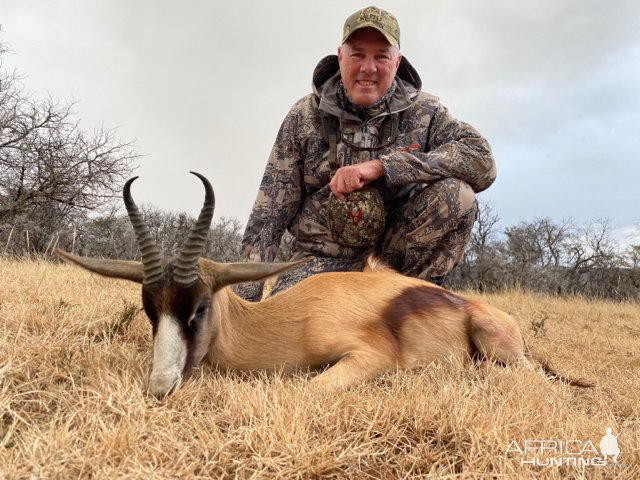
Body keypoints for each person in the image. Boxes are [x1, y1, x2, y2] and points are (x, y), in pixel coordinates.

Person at [237, 6, 496, 301]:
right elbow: (268, 217)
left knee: (458, 195)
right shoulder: (304, 115)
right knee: (289, 334)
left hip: (393, 263)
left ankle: (415, 310)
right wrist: (245, 304)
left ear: (397, 62)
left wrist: (384, 167)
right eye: (358, 54)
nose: (368, 68)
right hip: (319, 262)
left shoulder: (426, 112)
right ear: (340, 56)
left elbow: (482, 161)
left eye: (381, 56)